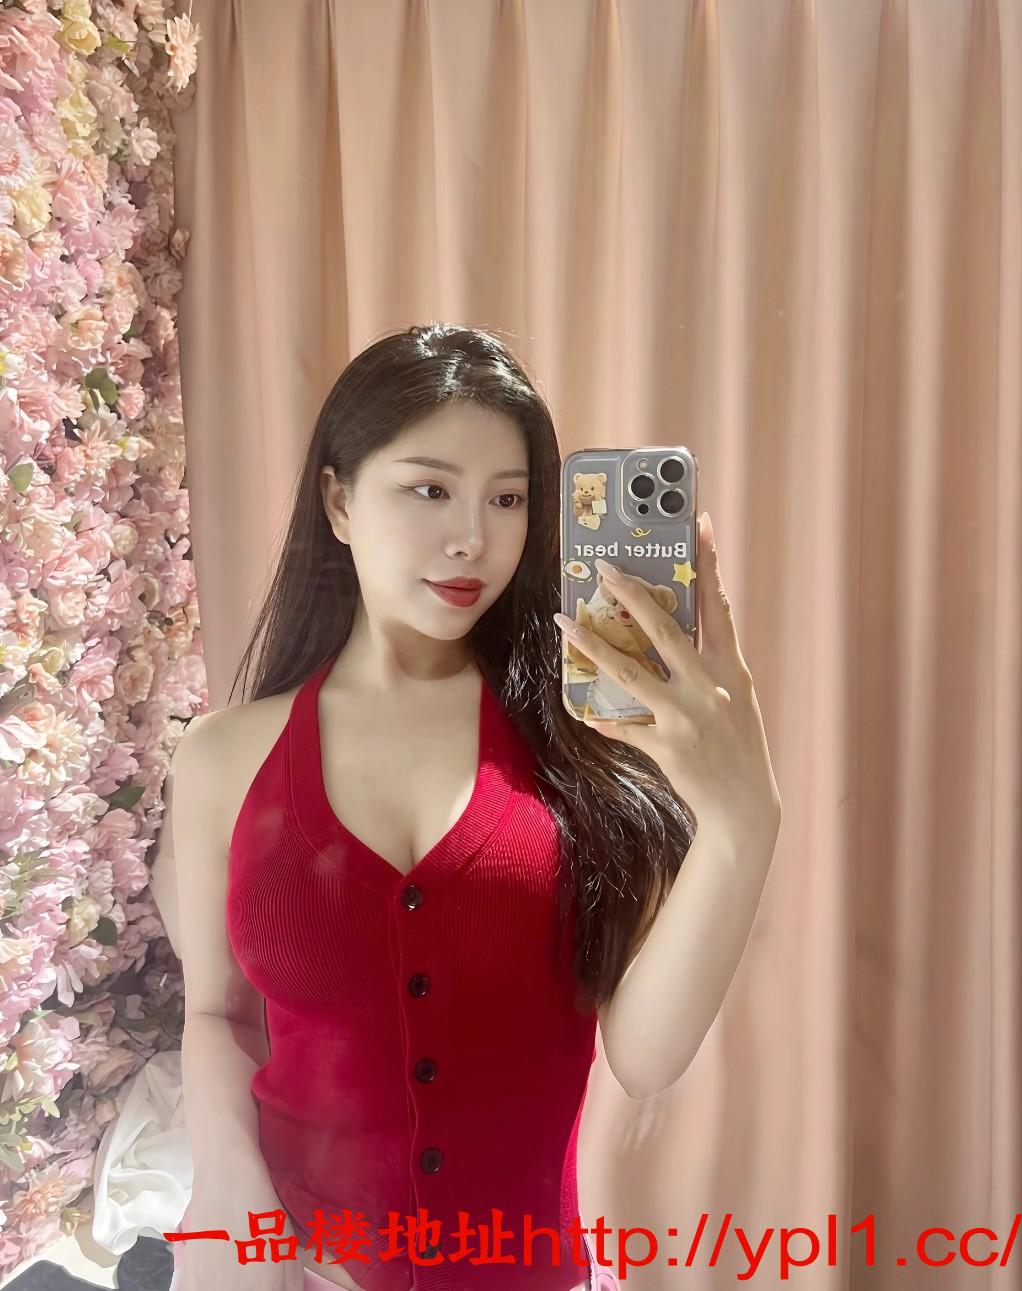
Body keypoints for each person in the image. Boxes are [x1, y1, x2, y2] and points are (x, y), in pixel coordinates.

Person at [167, 323, 703, 1291]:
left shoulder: (582, 749)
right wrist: (230, 1192)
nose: (472, 538)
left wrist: (744, 815)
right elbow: (217, 1010)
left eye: (508, 499)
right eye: (430, 490)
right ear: (338, 500)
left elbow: (644, 1057)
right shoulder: (222, 756)